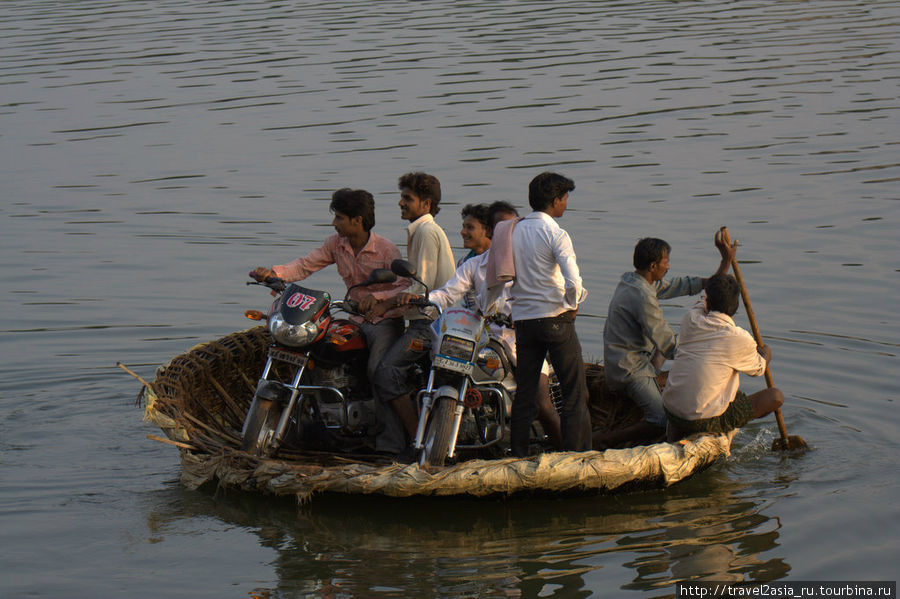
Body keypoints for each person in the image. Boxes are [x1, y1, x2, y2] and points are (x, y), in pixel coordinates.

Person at [400, 203, 563, 450]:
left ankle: (568, 450)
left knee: (541, 403)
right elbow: (447, 293)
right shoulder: (474, 265)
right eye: (501, 229)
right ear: (492, 232)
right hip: (484, 339)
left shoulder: (528, 262)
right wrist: (424, 299)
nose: (508, 234)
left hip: (522, 340)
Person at [250, 188, 407, 385]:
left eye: (339, 218)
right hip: (354, 317)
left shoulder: (386, 249)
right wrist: (274, 275)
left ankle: (382, 414)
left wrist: (379, 297)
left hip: (384, 321)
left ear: (357, 221)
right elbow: (305, 265)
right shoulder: (335, 244)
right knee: (316, 354)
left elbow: (404, 286)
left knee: (377, 371)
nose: (334, 223)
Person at [597, 231, 736, 448]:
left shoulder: (634, 280)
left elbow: (682, 285)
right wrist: (699, 359)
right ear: (653, 266)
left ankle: (655, 377)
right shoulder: (642, 296)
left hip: (632, 357)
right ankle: (606, 440)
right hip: (629, 369)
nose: (668, 267)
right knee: (662, 420)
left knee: (676, 341)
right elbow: (666, 342)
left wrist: (724, 265)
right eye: (666, 262)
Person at [366, 172, 455, 456]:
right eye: (402, 197)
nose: (401, 203)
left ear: (425, 204)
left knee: (386, 372)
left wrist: (387, 303)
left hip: (428, 324)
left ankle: (419, 438)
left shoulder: (427, 232)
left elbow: (421, 287)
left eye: (408, 198)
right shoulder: (420, 230)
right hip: (425, 320)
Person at [506, 172, 591, 456]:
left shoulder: (512, 231)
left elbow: (500, 277)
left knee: (526, 394)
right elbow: (574, 282)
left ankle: (517, 454)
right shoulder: (556, 233)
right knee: (574, 394)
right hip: (556, 319)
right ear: (555, 200)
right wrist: (573, 302)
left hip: (524, 322)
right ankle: (576, 456)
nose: (566, 204)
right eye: (565, 199)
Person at [662, 274, 784, 441]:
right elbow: (759, 369)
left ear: (708, 303)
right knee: (775, 397)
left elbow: (704, 298)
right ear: (735, 306)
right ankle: (714, 428)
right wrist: (766, 354)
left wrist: (725, 265)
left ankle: (679, 431)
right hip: (703, 419)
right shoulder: (739, 337)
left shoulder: (691, 318)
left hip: (670, 409)